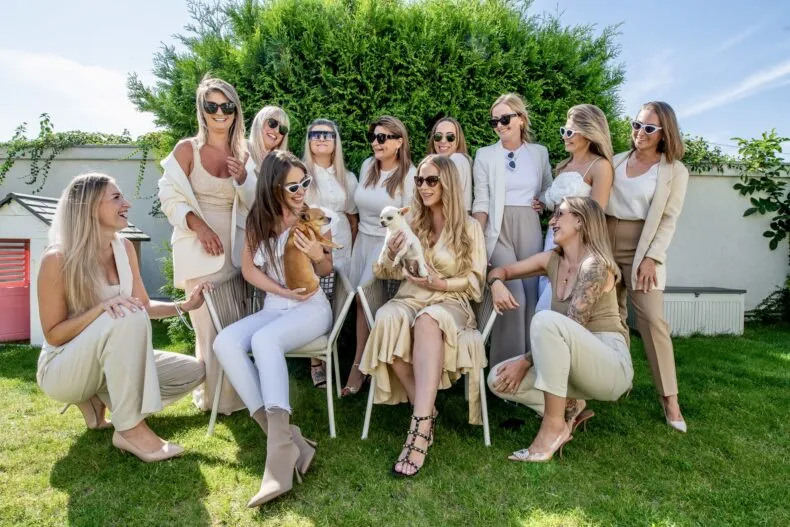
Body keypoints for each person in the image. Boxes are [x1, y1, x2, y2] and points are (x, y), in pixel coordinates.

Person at [36, 173, 208, 462]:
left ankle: (98, 397)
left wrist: (186, 305)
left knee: (193, 372)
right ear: (90, 207)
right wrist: (101, 309)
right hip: (63, 368)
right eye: (116, 198)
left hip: (108, 356)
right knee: (123, 314)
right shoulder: (57, 259)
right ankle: (129, 428)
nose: (126, 203)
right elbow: (54, 334)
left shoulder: (124, 247)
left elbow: (142, 305)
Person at [212, 151, 333, 507]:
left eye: (305, 183)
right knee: (225, 342)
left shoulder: (311, 215)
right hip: (276, 306)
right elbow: (250, 270)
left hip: (311, 308)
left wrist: (315, 253)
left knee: (265, 341)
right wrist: (279, 291)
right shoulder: (259, 219)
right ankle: (286, 439)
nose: (301, 191)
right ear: (273, 186)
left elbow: (326, 271)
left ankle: (279, 459)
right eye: (293, 186)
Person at [359, 155, 487, 476]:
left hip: (450, 301)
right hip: (411, 296)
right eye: (419, 180)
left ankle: (416, 434)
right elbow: (382, 270)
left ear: (448, 184)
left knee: (428, 320)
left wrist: (441, 282)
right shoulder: (411, 220)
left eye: (431, 180)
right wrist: (389, 251)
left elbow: (475, 282)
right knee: (388, 319)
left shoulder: (469, 227)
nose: (424, 187)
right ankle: (427, 414)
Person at [487, 196, 633, 462]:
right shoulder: (551, 260)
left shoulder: (596, 265)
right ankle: (571, 405)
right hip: (573, 362)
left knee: (545, 321)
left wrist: (525, 361)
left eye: (559, 215)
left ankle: (553, 427)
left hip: (609, 364)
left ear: (580, 220)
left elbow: (574, 322)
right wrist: (496, 284)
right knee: (497, 379)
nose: (551, 221)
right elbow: (502, 270)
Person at [158, 75, 256, 415]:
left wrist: (243, 178)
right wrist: (199, 227)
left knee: (233, 325)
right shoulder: (187, 150)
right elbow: (168, 197)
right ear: (201, 110)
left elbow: (255, 202)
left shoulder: (244, 153)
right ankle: (215, 401)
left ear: (235, 110)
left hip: (234, 250)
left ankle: (238, 396)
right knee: (208, 329)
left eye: (226, 106)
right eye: (211, 105)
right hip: (198, 250)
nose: (219, 112)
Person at [605, 101, 689, 432]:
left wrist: (653, 257)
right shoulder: (616, 161)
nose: (640, 132)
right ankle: (619, 380)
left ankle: (670, 399)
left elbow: (669, 219)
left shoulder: (673, 170)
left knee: (653, 320)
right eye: (637, 124)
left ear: (664, 133)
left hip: (643, 246)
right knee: (612, 315)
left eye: (649, 128)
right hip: (606, 240)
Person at [472, 93, 552, 367]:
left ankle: (531, 366)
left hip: (529, 226)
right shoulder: (484, 155)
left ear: (521, 119)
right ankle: (502, 371)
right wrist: (477, 240)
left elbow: (547, 188)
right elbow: (481, 199)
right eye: (494, 121)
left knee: (531, 296)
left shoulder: (539, 153)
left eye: (505, 119)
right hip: (497, 229)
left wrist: (542, 202)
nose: (499, 125)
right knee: (512, 295)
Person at [344, 116, 416, 397]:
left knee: (365, 300)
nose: (376, 142)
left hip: (387, 247)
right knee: (359, 303)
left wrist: (395, 251)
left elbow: (411, 218)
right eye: (373, 136)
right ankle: (370, 362)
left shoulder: (409, 174)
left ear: (399, 142)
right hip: (362, 241)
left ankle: (359, 367)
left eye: (383, 137)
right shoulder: (367, 166)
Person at [536, 104, 614, 311]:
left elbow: (596, 213)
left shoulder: (600, 166)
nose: (564, 136)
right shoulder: (563, 166)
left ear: (589, 134)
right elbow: (556, 204)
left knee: (562, 299)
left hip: (579, 242)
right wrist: (543, 202)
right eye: (564, 131)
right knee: (545, 287)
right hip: (552, 236)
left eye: (570, 132)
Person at [302, 119, 359, 388]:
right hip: (314, 241)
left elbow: (352, 215)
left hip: (342, 242)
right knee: (316, 296)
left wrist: (355, 244)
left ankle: (333, 350)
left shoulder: (347, 177)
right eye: (315, 134)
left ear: (336, 141)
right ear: (309, 140)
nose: (321, 138)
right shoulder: (301, 173)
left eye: (328, 134)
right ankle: (315, 361)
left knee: (338, 296)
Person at [426, 117, 473, 211]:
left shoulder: (457, 160)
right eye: (438, 136)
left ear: (458, 140)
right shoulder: (441, 164)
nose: (443, 141)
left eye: (450, 137)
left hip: (453, 222)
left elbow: (447, 201)